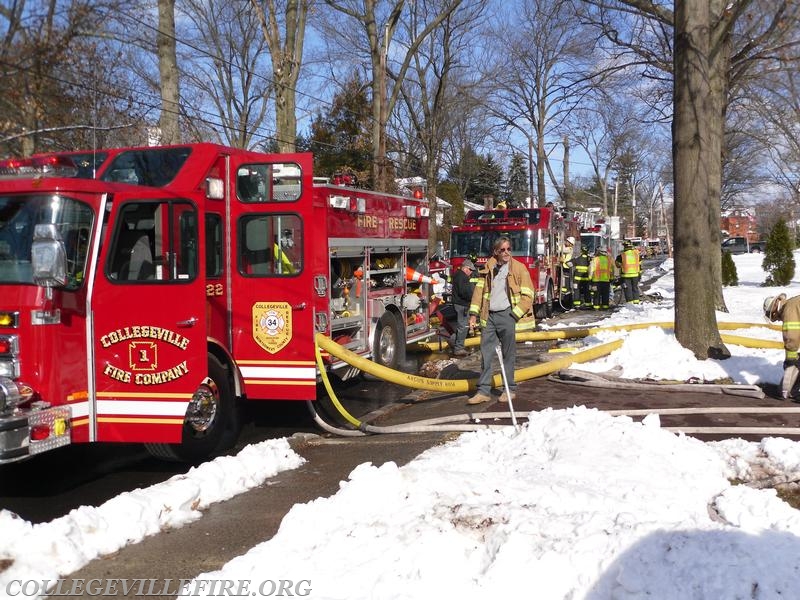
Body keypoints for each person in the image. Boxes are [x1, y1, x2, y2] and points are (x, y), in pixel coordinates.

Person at [466, 236, 535, 405]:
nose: (506, 253)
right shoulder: (488, 268)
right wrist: (474, 314)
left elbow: (528, 295)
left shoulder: (519, 269)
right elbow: (478, 294)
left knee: (508, 355)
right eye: (502, 250)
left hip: (507, 316)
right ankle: (483, 391)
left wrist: (514, 315)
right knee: (486, 354)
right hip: (488, 317)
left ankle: (509, 389)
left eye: (509, 249)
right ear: (495, 252)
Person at [764, 293, 800, 400]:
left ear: (775, 306)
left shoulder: (789, 310)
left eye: (773, 315)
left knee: (796, 362)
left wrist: (790, 359)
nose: (777, 319)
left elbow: (791, 337)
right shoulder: (793, 304)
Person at [450, 259, 478, 357]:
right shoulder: (463, 277)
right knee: (463, 327)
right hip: (462, 305)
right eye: (470, 270)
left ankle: (453, 342)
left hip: (459, 304)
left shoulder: (458, 275)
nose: (471, 272)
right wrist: (473, 298)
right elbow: (465, 292)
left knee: (462, 326)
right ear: (465, 268)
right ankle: (458, 349)